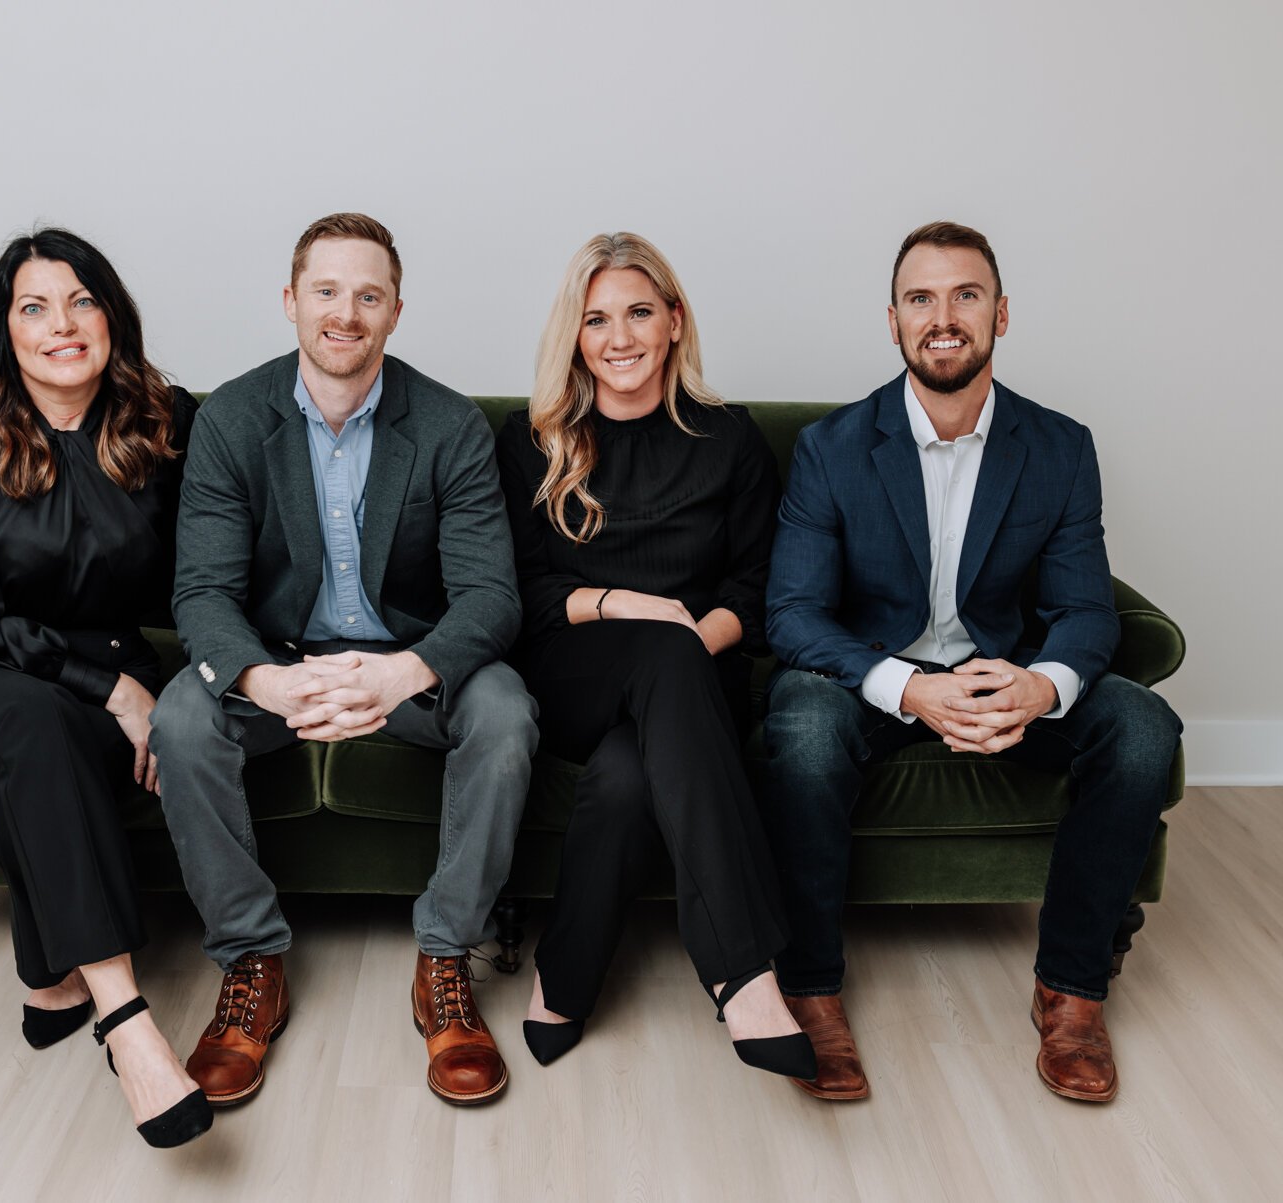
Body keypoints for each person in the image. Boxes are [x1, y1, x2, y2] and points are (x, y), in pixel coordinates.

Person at [760, 220, 1182, 1103]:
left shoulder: (1060, 447)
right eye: (921, 298)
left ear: (1000, 314)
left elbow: (1083, 610)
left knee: (1143, 725)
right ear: (892, 319)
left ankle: (1071, 989)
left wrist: (1039, 686)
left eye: (965, 295)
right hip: (873, 684)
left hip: (1003, 686)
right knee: (799, 724)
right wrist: (909, 687)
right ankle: (810, 987)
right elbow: (794, 614)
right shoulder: (831, 449)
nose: (942, 316)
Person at [150, 212, 537, 1108]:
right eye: (327, 291)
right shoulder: (232, 419)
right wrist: (269, 681)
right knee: (179, 716)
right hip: (278, 661)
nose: (346, 314)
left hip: (410, 663)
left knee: (508, 714)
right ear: (291, 302)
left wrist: (402, 672)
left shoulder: (448, 424)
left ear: (396, 311)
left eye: (368, 295)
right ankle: (251, 960)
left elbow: (491, 597)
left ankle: (445, 957)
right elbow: (202, 592)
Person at [0, 228, 211, 1148]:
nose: (62, 325)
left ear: (112, 316)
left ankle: (51, 974)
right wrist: (110, 687)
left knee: (13, 792)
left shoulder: (165, 420)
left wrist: (180, 687)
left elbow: (202, 580)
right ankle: (128, 1022)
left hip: (106, 683)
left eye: (82, 301)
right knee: (30, 719)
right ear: (5, 331)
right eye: (34, 306)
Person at [494, 232, 816, 1081]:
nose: (620, 336)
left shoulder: (729, 440)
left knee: (631, 772)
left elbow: (756, 593)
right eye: (596, 319)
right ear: (576, 337)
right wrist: (620, 604)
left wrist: (684, 636)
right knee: (656, 661)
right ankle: (744, 969)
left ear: (674, 321)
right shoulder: (533, 440)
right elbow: (514, 594)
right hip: (571, 671)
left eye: (639, 312)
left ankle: (565, 973)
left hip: (693, 673)